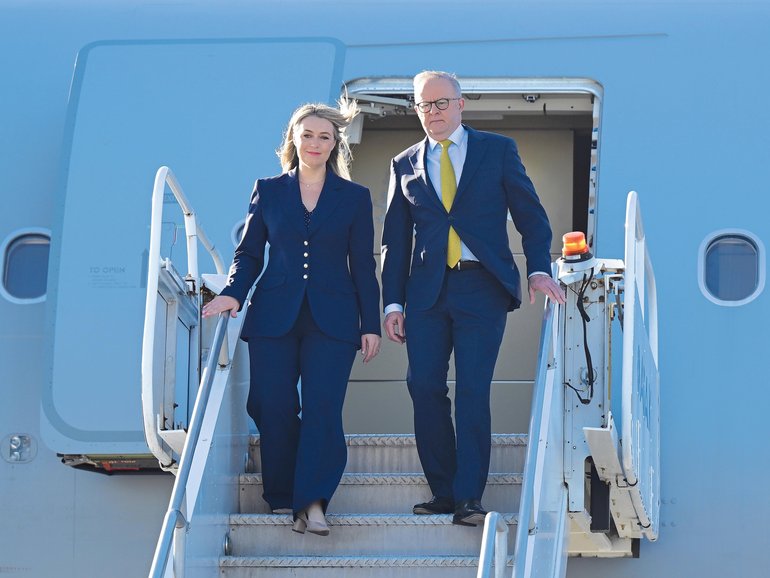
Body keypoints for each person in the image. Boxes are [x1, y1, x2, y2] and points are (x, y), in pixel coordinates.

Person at [380, 71, 566, 526]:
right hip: (425, 293)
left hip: (481, 286)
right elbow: (394, 241)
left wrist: (539, 268)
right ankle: (443, 492)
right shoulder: (404, 162)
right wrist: (392, 303)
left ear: (461, 105)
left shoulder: (496, 150)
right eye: (423, 105)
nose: (433, 113)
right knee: (422, 387)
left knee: (472, 390)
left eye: (441, 103)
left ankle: (469, 499)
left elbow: (531, 216)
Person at [202, 102, 381, 536]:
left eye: (324, 136)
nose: (315, 143)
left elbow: (362, 264)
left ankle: (314, 502)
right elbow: (249, 253)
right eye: (307, 135)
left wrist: (370, 322)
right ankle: (284, 495)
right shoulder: (268, 189)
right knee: (273, 405)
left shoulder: (354, 198)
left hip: (334, 319)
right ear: (293, 140)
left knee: (322, 407)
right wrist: (232, 294)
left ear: (335, 142)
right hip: (273, 315)